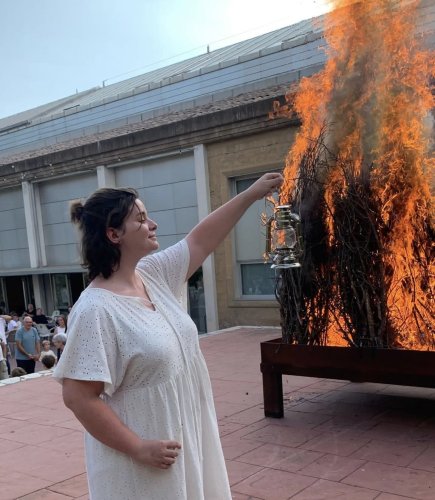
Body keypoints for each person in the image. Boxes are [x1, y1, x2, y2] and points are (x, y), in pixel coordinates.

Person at [53, 172, 283, 500]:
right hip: (145, 459)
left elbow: (201, 240)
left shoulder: (153, 274)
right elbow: (78, 397)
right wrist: (138, 448)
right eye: (141, 219)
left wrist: (249, 194)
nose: (153, 225)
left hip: (187, 436)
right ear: (113, 233)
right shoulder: (95, 310)